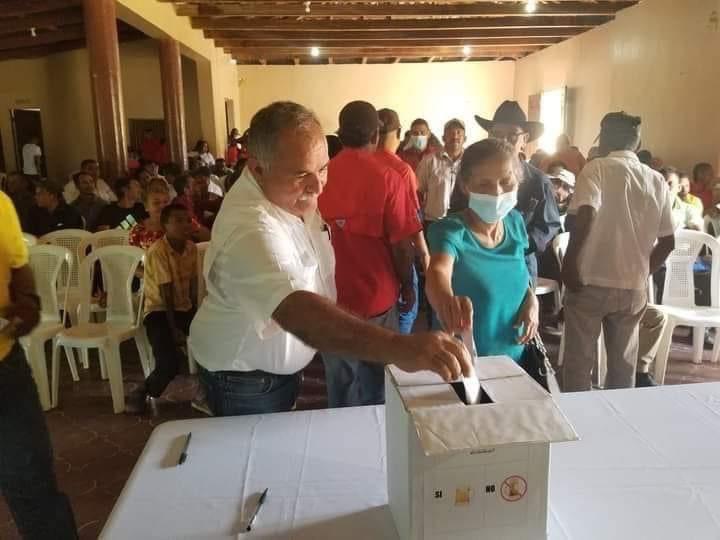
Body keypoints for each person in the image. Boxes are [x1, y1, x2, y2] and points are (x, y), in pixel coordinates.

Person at [189, 101, 471, 417]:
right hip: (243, 377)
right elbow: (298, 310)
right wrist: (401, 347)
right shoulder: (250, 227)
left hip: (274, 369)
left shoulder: (287, 195)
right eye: (301, 175)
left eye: (323, 168)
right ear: (257, 168)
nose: (319, 185)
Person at [561, 111, 675, 391]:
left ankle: (577, 424)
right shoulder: (656, 180)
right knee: (624, 365)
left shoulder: (597, 168)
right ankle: (618, 425)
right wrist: (641, 272)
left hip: (590, 280)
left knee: (579, 362)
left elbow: (586, 212)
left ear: (604, 140)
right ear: (636, 144)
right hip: (632, 288)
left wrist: (571, 263)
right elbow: (668, 241)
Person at [320, 101, 424, 407]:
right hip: (377, 298)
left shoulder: (319, 176)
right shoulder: (390, 177)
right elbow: (402, 246)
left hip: (330, 299)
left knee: (340, 387)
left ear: (339, 134)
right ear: (376, 135)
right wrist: (406, 284)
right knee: (379, 386)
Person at [0, 191, 79, 539]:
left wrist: (28, 300)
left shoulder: (0, 204)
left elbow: (18, 264)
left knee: (32, 483)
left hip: (5, 368)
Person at [425, 138, 538, 362]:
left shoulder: (515, 223)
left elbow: (520, 274)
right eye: (484, 185)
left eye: (506, 182)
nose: (497, 193)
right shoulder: (450, 231)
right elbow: (438, 271)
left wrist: (532, 301)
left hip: (516, 361)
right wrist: (446, 302)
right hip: (467, 367)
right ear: (466, 187)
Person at [475, 100, 562, 280]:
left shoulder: (538, 182)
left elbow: (548, 225)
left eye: (512, 135)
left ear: (525, 139)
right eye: (497, 134)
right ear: (489, 136)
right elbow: (457, 212)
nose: (504, 141)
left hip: (520, 265)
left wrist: (517, 244)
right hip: (476, 261)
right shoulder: (472, 176)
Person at [126, 204, 198, 414]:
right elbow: (165, 291)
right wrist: (174, 327)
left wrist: (197, 311)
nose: (185, 225)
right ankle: (142, 391)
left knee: (212, 343)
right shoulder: (158, 250)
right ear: (165, 225)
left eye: (187, 220)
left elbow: (193, 285)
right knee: (169, 362)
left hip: (184, 308)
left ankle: (210, 391)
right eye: (178, 220)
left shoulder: (191, 248)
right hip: (159, 312)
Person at [376, 108, 431, 335]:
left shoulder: (354, 165)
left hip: (368, 258)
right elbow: (411, 221)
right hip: (399, 254)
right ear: (399, 132)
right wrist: (424, 255)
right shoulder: (401, 170)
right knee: (405, 313)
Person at [417, 119, 466, 229]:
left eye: (459, 133)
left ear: (465, 139)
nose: (455, 136)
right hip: (433, 222)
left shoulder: (471, 162)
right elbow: (418, 191)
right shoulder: (429, 161)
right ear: (443, 138)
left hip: (462, 224)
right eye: (450, 133)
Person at [129, 180, 171, 250]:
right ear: (146, 206)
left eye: (166, 202)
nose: (162, 206)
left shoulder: (179, 225)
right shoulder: (138, 231)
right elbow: (134, 258)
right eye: (156, 203)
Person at [662, 166, 702, 231]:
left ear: (679, 188)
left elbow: (697, 227)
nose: (665, 187)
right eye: (662, 183)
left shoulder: (689, 209)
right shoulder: (647, 208)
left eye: (670, 183)